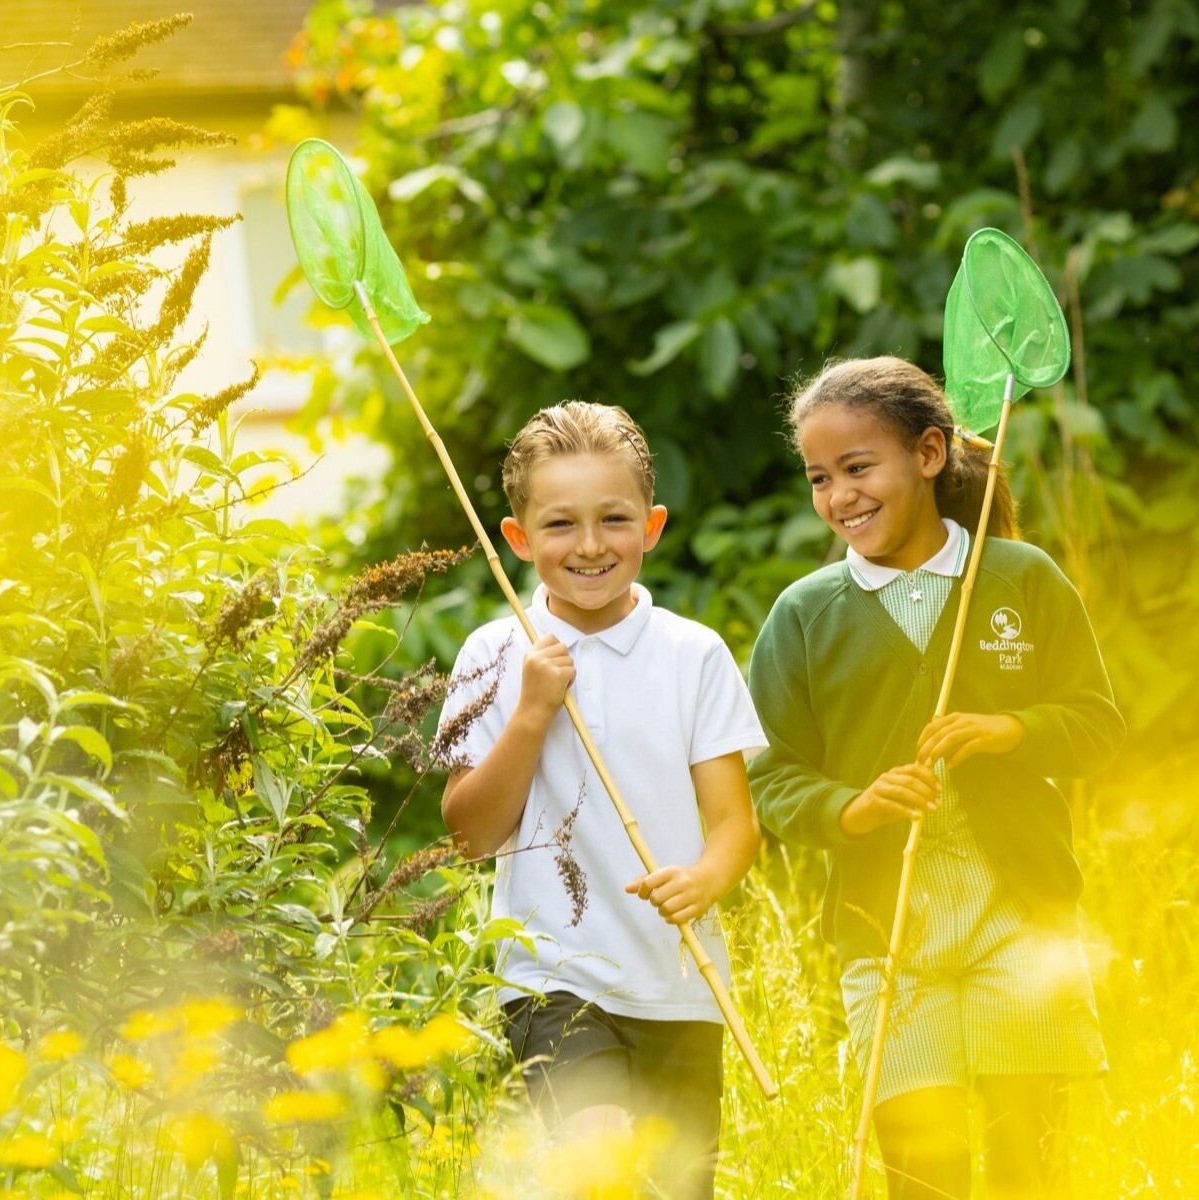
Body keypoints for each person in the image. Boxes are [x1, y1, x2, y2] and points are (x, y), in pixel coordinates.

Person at [748, 357, 1124, 1199]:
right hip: (889, 942)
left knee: (1032, 1170)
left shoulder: (1021, 578)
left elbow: (1098, 725)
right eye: (819, 478)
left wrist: (1011, 731)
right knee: (922, 1176)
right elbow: (769, 774)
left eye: (857, 468)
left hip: (1020, 922)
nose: (839, 496)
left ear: (928, 454)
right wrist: (852, 808)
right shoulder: (804, 615)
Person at [439, 401, 767, 1199]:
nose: (589, 545)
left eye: (614, 519)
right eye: (560, 524)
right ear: (518, 538)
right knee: (602, 1169)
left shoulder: (694, 654)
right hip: (553, 977)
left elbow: (735, 824)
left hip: (679, 987)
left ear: (650, 527)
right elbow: (469, 837)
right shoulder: (493, 652)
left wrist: (706, 879)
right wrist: (531, 712)